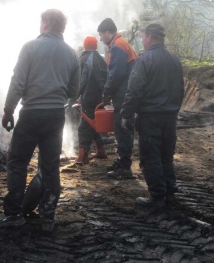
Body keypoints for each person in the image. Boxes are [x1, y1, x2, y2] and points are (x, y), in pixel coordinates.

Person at [0, 9, 80, 231]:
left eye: (41, 22)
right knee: (50, 166)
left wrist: (8, 109)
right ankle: (48, 216)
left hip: (31, 114)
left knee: (18, 162)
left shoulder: (30, 47)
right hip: (56, 116)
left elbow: (18, 82)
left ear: (46, 23)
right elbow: (74, 89)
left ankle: (13, 215)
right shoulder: (71, 54)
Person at [120, 23, 184, 208]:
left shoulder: (145, 59)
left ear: (149, 37)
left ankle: (156, 197)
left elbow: (134, 90)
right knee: (166, 155)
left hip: (150, 117)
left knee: (151, 157)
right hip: (170, 117)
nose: (141, 39)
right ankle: (169, 193)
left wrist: (126, 114)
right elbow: (180, 89)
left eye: (142, 36)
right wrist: (174, 109)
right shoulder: (174, 59)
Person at [97, 18, 137, 178]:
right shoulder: (118, 44)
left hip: (124, 95)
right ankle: (122, 161)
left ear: (108, 32)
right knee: (121, 128)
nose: (100, 38)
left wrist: (106, 94)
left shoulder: (118, 46)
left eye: (101, 34)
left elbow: (116, 73)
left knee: (123, 128)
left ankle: (125, 166)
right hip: (124, 93)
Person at [74, 35, 108, 164]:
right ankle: (101, 150)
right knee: (93, 124)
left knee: (84, 127)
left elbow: (81, 81)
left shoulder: (83, 59)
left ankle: (82, 157)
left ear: (85, 46)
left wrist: (74, 96)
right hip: (100, 98)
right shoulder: (101, 59)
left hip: (89, 98)